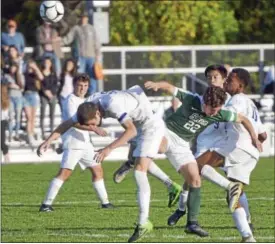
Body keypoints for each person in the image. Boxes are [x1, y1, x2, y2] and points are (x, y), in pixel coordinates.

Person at [37, 85, 166, 242]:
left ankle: (144, 220)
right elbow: (66, 124)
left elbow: (131, 131)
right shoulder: (89, 105)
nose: (93, 126)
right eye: (90, 125)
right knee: (148, 158)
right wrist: (48, 141)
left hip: (147, 121)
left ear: (98, 113)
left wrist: (108, 149)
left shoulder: (113, 105)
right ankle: (145, 213)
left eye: (93, 123)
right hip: (137, 117)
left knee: (143, 167)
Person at [144, 81, 262, 239]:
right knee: (158, 147)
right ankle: (135, 160)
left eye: (217, 110)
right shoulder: (192, 99)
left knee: (195, 178)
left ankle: (192, 223)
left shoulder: (221, 113)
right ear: (204, 102)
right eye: (211, 110)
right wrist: (157, 84)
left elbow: (243, 119)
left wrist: (254, 137)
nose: (214, 114)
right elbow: (170, 87)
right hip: (167, 132)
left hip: (182, 145)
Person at [39, 73, 114, 212]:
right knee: (65, 173)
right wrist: (94, 128)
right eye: (80, 85)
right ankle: (46, 205)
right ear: (74, 85)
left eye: (85, 86)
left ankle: (105, 203)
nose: (82, 88)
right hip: (74, 143)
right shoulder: (70, 100)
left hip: (85, 143)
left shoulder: (87, 101)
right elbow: (74, 123)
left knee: (97, 170)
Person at [59, 13, 101, 94]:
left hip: (91, 57)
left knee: (92, 77)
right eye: (81, 17)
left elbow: (97, 44)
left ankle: (92, 95)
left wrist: (98, 58)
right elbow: (68, 39)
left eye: (84, 17)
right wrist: (58, 42)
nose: (83, 19)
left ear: (87, 18)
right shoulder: (76, 28)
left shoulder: (91, 29)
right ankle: (79, 95)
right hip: (80, 57)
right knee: (79, 77)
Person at [23, 60, 44, 146]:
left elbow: (42, 78)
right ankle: (29, 135)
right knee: (29, 117)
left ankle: (31, 134)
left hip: (34, 95)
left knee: (33, 117)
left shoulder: (35, 75)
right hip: (26, 95)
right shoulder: (24, 74)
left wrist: (35, 67)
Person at [39, 57, 59, 139]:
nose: (47, 64)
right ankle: (43, 132)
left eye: (48, 62)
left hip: (52, 96)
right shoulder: (40, 73)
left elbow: (56, 84)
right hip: (43, 96)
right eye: (45, 62)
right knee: (42, 114)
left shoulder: (53, 73)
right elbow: (39, 84)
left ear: (51, 64)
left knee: (52, 115)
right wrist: (45, 91)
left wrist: (52, 93)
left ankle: (52, 132)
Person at [4, 62, 24, 141]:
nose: (13, 69)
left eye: (14, 67)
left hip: (18, 97)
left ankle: (17, 134)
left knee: (18, 116)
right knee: (10, 117)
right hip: (10, 97)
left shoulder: (20, 76)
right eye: (11, 67)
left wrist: (15, 86)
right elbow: (5, 85)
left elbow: (22, 88)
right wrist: (11, 85)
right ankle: (10, 135)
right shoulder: (6, 76)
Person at [1, 83, 11, 163]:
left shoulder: (5, 100)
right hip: (3, 120)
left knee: (1, 141)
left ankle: (6, 156)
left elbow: (5, 113)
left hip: (2, 121)